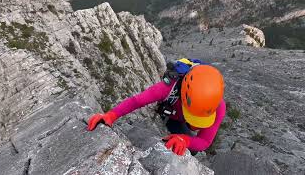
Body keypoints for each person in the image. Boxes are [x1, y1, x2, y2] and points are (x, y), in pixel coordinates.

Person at [87, 59, 226, 156]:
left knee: (192, 148)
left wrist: (186, 140)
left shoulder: (217, 105)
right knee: (179, 146)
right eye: (194, 116)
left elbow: (205, 141)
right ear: (183, 95)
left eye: (200, 118)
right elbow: (137, 101)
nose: (196, 126)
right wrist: (111, 115)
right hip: (173, 117)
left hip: (179, 115)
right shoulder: (167, 88)